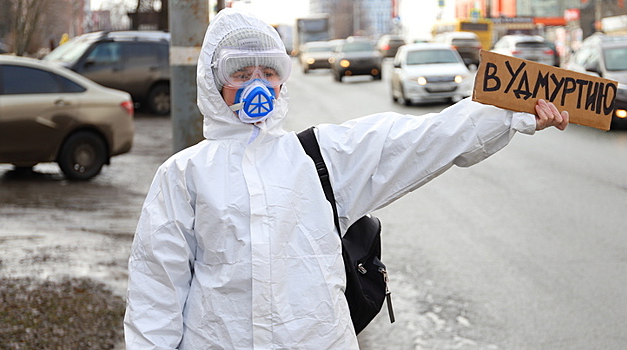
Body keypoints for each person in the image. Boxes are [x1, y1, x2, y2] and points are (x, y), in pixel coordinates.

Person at [123, 8, 569, 350]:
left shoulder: (319, 159)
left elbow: (422, 138)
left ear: (283, 79)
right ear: (214, 81)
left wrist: (511, 110)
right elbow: (155, 292)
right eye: (241, 74)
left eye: (268, 73)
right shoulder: (183, 176)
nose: (256, 86)